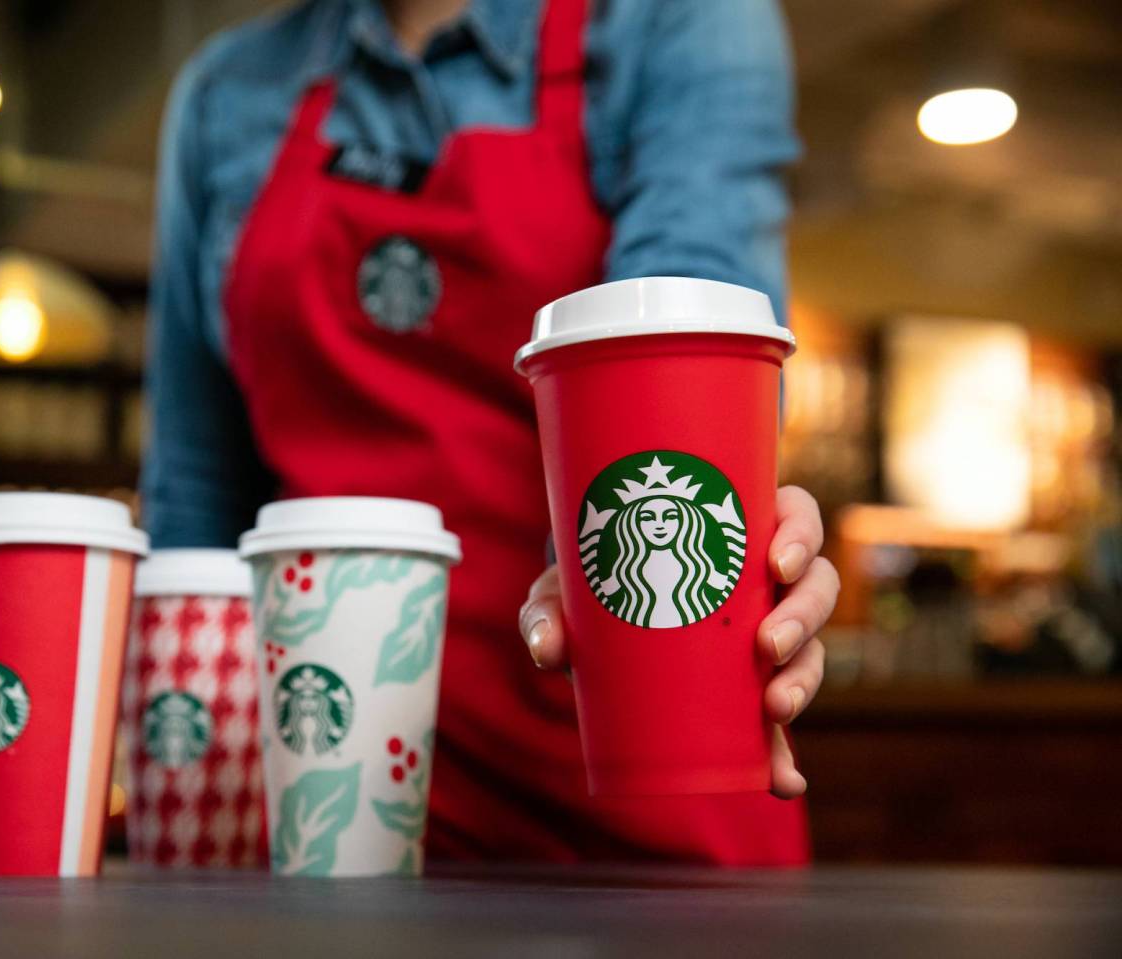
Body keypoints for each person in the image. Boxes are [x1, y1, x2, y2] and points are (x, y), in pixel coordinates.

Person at [142, 0, 839, 865]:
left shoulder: (676, 22)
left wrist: (628, 592)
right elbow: (196, 500)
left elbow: (684, 373)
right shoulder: (227, 94)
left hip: (647, 805)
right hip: (330, 818)